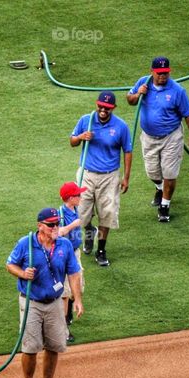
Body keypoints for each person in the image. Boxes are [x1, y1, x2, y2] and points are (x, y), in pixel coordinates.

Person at [5, 208, 83, 378]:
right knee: (30, 348)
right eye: (51, 225)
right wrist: (23, 274)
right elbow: (10, 265)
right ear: (40, 226)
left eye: (57, 223)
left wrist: (77, 299)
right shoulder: (26, 244)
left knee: (54, 346)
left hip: (55, 303)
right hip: (31, 302)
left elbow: (73, 273)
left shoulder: (64, 245)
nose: (55, 227)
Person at [126, 56, 189, 223]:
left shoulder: (177, 91)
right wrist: (138, 94)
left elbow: (188, 114)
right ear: (152, 71)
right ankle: (159, 188)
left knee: (170, 173)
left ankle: (165, 206)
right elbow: (129, 100)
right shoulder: (143, 82)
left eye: (165, 73)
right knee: (152, 172)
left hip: (171, 137)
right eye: (159, 73)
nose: (162, 76)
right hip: (149, 137)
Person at [70, 90, 132, 266]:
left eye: (108, 108)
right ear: (96, 104)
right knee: (82, 213)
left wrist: (125, 177)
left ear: (113, 108)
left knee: (107, 214)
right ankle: (90, 231)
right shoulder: (86, 121)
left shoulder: (121, 126)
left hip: (110, 177)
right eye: (101, 106)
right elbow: (72, 141)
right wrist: (81, 137)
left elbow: (127, 151)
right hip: (87, 174)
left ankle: (101, 250)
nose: (103, 110)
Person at [57, 182, 86, 344]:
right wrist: (73, 225)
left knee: (78, 288)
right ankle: (63, 330)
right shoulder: (60, 214)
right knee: (66, 293)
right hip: (64, 256)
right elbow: (58, 233)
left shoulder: (76, 209)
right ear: (70, 198)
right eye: (78, 195)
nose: (81, 196)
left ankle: (66, 316)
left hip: (75, 253)